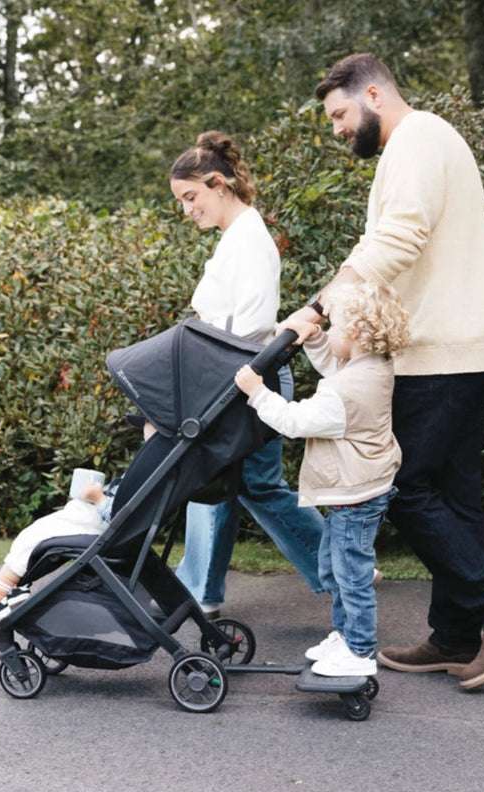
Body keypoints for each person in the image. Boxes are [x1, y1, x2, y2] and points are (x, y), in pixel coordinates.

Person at [281, 53, 484, 689]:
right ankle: (457, 635)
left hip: (442, 349)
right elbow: (392, 240)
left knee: (404, 487)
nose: (339, 128)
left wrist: (324, 305)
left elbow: (398, 238)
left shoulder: (419, 139)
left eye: (341, 113)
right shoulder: (424, 143)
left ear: (375, 94)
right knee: (452, 496)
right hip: (457, 346)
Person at [169, 131, 326, 616]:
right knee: (242, 485)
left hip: (246, 377)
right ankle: (200, 590)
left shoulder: (249, 239)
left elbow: (249, 325)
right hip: (237, 375)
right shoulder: (235, 238)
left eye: (191, 196)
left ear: (219, 184)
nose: (187, 209)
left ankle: (198, 591)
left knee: (227, 480)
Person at [236, 282, 408, 677]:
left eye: (337, 328)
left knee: (351, 575)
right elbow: (337, 366)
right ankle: (345, 635)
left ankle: (359, 650)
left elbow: (295, 422)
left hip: (355, 495)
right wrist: (316, 343)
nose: (331, 334)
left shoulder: (346, 392)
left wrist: (257, 392)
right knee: (333, 569)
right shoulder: (372, 366)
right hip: (360, 487)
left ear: (359, 334)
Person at [0, 425, 156, 621]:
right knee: (35, 534)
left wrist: (98, 498)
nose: (144, 427)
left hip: (99, 521)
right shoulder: (156, 465)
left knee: (35, 537)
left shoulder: (153, 465)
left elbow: (121, 514)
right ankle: (8, 589)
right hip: (95, 516)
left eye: (149, 423)